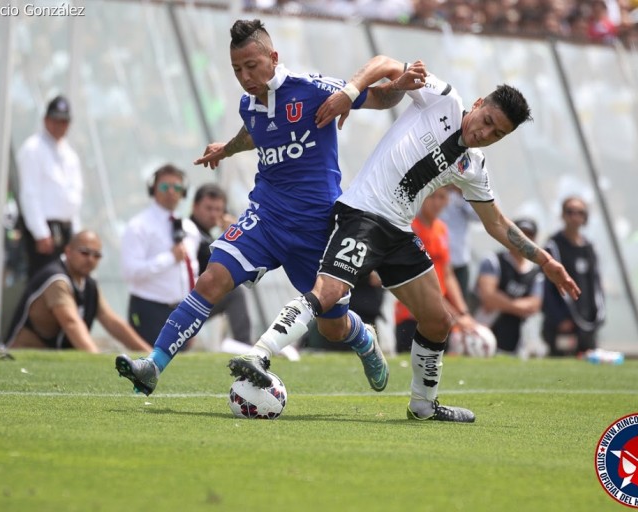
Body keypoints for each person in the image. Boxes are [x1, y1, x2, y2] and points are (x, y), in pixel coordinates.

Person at [231, 62, 581, 423]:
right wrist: (350, 94)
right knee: (328, 295)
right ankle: (259, 353)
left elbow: (496, 224)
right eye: (488, 120)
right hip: (362, 215)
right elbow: (383, 62)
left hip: (397, 232)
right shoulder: (443, 99)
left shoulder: (472, 166)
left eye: (497, 134)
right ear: (477, 104)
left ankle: (423, 406)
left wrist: (546, 262)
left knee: (438, 321)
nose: (485, 133)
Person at [114, 19, 422, 396]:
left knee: (332, 327)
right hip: (266, 217)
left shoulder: (311, 90)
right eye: (236, 70)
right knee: (212, 279)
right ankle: (152, 366)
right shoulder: (249, 104)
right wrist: (226, 149)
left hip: (315, 228)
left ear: (274, 58)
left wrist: (390, 87)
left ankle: (362, 338)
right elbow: (254, 133)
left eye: (251, 66)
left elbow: (382, 87)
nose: (244, 77)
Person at [5, 230, 152, 353]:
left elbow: (111, 321)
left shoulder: (88, 284)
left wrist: (150, 355)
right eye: (84, 252)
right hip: (22, 356)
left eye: (96, 255)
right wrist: (97, 361)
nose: (90, 259)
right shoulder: (56, 280)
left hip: (52, 359)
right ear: (68, 251)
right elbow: (71, 322)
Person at [120, 164, 201, 345]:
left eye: (177, 187)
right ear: (153, 189)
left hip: (182, 310)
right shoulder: (138, 226)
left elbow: (192, 272)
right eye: (165, 187)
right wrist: (169, 258)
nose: (171, 191)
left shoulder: (190, 228)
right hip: (148, 309)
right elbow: (130, 272)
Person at [394, 186, 477, 353]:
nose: (437, 202)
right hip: (412, 316)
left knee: (437, 372)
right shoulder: (410, 230)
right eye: (432, 197)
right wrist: (455, 315)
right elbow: (420, 282)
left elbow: (448, 275)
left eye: (442, 197)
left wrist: (463, 312)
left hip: (439, 315)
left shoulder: (441, 229)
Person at [17, 94, 83, 279]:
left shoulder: (70, 154)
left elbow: (74, 197)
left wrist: (76, 234)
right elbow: (30, 193)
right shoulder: (33, 148)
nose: (60, 125)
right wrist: (40, 232)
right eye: (56, 120)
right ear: (46, 120)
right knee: (44, 280)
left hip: (66, 229)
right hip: (46, 228)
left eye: (64, 121)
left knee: (66, 280)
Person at [189, 182, 253, 345]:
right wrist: (233, 236)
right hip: (177, 302)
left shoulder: (205, 235)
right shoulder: (188, 230)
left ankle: (244, 344)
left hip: (191, 298)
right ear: (195, 207)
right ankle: (244, 345)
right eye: (209, 208)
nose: (213, 214)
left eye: (218, 210)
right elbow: (216, 266)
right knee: (234, 293)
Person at [541, 197, 605, 357]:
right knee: (562, 367)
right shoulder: (553, 246)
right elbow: (546, 287)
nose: (575, 217)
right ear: (563, 215)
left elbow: (595, 285)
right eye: (570, 212)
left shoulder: (589, 248)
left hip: (586, 322)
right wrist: (559, 318)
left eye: (580, 212)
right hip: (562, 323)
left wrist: (597, 316)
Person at [474, 218, 544, 356]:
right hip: (484, 335)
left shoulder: (535, 272)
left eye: (529, 235)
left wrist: (501, 301)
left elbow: (534, 306)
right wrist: (519, 307)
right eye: (520, 234)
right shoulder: (493, 261)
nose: (524, 240)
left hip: (517, 343)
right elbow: (488, 297)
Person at [439, 183, 480, 305]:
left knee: (459, 307)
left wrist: (462, 192)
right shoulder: (430, 191)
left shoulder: (461, 194)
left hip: (459, 263)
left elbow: (479, 217)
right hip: (436, 263)